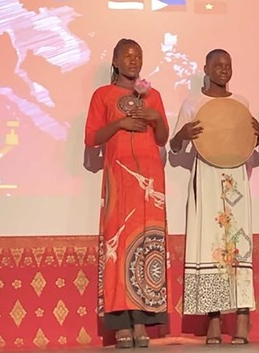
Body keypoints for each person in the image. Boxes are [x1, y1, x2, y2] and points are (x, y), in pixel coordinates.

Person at [170, 49, 259, 345]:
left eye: (228, 65)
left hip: (235, 179)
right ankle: (214, 317)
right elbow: (174, 148)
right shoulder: (194, 102)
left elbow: (252, 140)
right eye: (217, 65)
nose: (223, 69)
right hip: (207, 176)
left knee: (238, 242)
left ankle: (243, 316)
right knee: (210, 243)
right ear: (206, 68)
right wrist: (182, 134)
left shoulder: (241, 103)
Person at [84, 39, 169, 348]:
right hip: (120, 181)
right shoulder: (103, 95)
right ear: (116, 62)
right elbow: (92, 137)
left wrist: (156, 117)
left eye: (138, 56)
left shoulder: (152, 96)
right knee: (118, 248)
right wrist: (120, 123)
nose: (134, 61)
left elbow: (162, 139)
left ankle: (143, 321)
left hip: (150, 181)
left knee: (147, 247)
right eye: (128, 56)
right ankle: (121, 322)